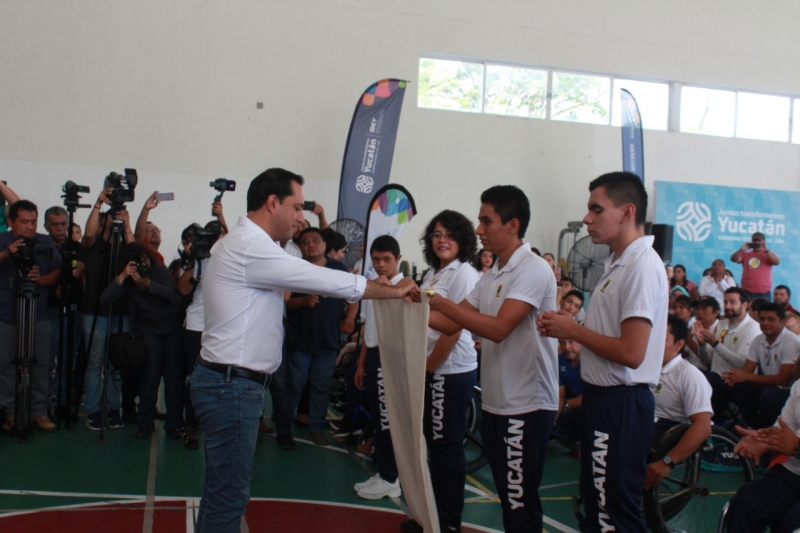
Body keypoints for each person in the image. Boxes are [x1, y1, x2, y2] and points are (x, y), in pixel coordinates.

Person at [189, 168, 414, 532]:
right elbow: (319, 278)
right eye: (296, 207)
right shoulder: (250, 247)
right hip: (232, 387)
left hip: (229, 382)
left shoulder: (246, 244)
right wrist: (392, 291)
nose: (299, 217)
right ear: (272, 203)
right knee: (228, 495)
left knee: (222, 491)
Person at [421, 185, 559, 532]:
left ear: (512, 225)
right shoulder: (494, 273)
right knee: (509, 499)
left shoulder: (532, 268)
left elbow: (498, 329)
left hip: (526, 404)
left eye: (486, 221)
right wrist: (413, 303)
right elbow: (452, 322)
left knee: (520, 502)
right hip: (499, 403)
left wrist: (439, 301)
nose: (479, 229)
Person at [538, 171, 668, 533]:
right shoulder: (617, 264)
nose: (587, 219)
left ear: (627, 212)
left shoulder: (641, 267)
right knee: (598, 504)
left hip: (621, 403)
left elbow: (632, 352)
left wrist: (574, 330)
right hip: (603, 400)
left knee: (614, 512)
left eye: (597, 209)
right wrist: (568, 329)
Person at [400, 210, 479, 533]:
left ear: (462, 239)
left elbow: (454, 328)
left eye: (449, 235)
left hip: (450, 371)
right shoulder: (434, 274)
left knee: (447, 448)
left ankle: (448, 522)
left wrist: (429, 369)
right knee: (433, 446)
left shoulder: (464, 274)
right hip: (432, 369)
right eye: (436, 234)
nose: (442, 240)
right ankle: (430, 517)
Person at [100, 243, 183, 439]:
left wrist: (148, 286)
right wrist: (122, 276)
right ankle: (144, 424)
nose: (144, 265)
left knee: (173, 378)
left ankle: (174, 425)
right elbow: (104, 299)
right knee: (150, 377)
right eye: (138, 263)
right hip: (148, 329)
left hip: (172, 327)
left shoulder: (158, 270)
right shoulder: (128, 280)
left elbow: (175, 296)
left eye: (145, 260)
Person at [285, 227, 356, 446]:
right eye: (305, 241)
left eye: (315, 240)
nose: (311, 244)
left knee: (322, 387)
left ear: (325, 244)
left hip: (327, 340)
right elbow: (285, 302)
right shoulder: (294, 268)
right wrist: (303, 301)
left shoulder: (338, 269)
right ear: (300, 247)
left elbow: (353, 296)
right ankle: (285, 430)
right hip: (299, 341)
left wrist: (350, 319)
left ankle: (316, 428)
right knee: (294, 386)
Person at [0, 200, 61, 433]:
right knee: (4, 365)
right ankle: (10, 412)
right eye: (24, 222)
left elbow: (58, 270)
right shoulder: (2, 240)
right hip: (6, 315)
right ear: (10, 222)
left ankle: (39, 412)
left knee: (42, 364)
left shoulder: (45, 242)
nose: (29, 227)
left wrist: (41, 280)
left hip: (39, 314)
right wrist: (8, 252)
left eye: (33, 222)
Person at [352, 235, 406, 500]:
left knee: (387, 421)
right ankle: (384, 472)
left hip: (390, 357)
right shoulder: (373, 286)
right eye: (376, 260)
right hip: (373, 355)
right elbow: (367, 328)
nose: (381, 264)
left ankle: (390, 477)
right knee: (378, 417)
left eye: (387, 259)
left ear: (398, 259)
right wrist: (361, 364)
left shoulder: (405, 288)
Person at [81, 187, 135, 431]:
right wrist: (98, 204)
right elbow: (88, 233)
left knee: (117, 363)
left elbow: (136, 253)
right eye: (111, 220)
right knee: (95, 362)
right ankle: (93, 409)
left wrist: (127, 226)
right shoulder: (94, 247)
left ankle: (114, 407)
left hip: (120, 312)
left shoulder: (124, 249)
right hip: (95, 312)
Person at [644, 314, 712, 490]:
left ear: (679, 344)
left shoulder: (689, 375)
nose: (653, 344)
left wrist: (667, 461)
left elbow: (703, 426)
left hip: (667, 429)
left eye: (662, 340)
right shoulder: (644, 367)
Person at [727, 379, 800, 533]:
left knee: (793, 522)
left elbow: (793, 444)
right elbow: (782, 429)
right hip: (793, 474)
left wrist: (797, 447)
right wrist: (763, 441)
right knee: (746, 502)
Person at [722, 303, 799, 429]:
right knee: (734, 385)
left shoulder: (791, 341)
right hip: (766, 385)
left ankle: (771, 430)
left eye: (771, 319)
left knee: (768, 395)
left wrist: (745, 376)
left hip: (785, 390)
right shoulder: (758, 340)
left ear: (783, 322)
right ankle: (755, 426)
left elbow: (783, 380)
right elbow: (747, 371)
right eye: (762, 319)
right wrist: (734, 377)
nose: (765, 323)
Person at [695, 287, 761, 423]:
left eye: (732, 302)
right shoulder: (721, 324)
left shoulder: (752, 328)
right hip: (715, 376)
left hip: (735, 381)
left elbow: (742, 363)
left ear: (745, 305)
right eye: (725, 302)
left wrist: (715, 344)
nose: (728, 306)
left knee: (708, 381)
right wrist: (702, 346)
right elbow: (706, 361)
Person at [731, 232, 780, 302]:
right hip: (746, 291)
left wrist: (766, 251)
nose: (757, 242)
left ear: (764, 242)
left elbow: (776, 262)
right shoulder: (745, 254)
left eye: (759, 240)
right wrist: (741, 249)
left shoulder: (769, 254)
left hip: (764, 292)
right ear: (752, 241)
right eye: (755, 240)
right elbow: (733, 259)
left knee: (764, 309)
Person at [552, 338, 583, 446]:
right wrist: (556, 412)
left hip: (589, 405)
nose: (566, 347)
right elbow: (561, 395)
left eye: (571, 342)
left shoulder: (592, 361)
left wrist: (566, 405)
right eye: (562, 343)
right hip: (569, 403)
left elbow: (593, 395)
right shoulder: (559, 361)